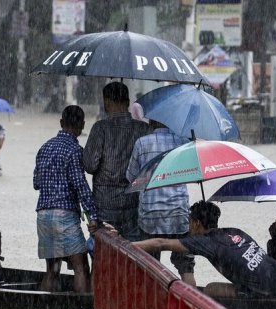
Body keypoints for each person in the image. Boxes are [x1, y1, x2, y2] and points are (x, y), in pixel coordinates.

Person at [133, 201, 276, 299]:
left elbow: (161, 243)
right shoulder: (234, 231)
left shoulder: (206, 242)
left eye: (189, 222)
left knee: (209, 289)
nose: (188, 226)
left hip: (265, 291)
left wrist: (128, 245)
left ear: (196, 223)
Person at [33, 105, 97, 293]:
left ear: (61, 123)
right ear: (83, 125)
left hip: (43, 215)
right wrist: (92, 215)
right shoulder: (75, 150)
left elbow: (36, 183)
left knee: (52, 270)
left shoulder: (44, 147)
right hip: (65, 216)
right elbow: (80, 186)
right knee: (81, 268)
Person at [126, 119, 195, 286]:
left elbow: (131, 177)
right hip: (179, 214)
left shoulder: (141, 143)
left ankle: (152, 306)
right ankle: (192, 305)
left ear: (151, 122)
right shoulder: (183, 142)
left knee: (150, 266)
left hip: (151, 216)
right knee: (186, 266)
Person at [83, 81, 151, 241]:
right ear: (128, 102)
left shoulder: (100, 128)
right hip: (133, 203)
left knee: (104, 254)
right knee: (133, 254)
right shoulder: (143, 129)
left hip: (104, 203)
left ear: (106, 101)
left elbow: (90, 165)